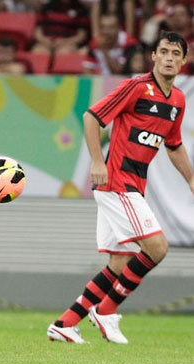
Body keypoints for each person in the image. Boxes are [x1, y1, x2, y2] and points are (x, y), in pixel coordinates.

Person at [47, 32, 194, 344]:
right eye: (163, 51)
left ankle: (66, 322)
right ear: (153, 56)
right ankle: (107, 310)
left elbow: (174, 145)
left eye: (175, 53)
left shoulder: (177, 101)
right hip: (117, 183)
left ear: (183, 61)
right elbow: (91, 117)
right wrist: (97, 161)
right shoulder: (136, 87)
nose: (168, 57)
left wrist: (191, 180)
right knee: (157, 248)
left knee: (118, 262)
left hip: (134, 187)